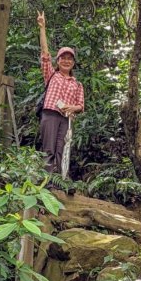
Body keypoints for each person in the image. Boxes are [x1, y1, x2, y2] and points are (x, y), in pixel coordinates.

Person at [37, 11, 84, 178]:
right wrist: (42, 27)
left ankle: (60, 181)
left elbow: (80, 105)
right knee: (48, 149)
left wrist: (72, 108)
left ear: (73, 63)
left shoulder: (77, 84)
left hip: (66, 118)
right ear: (58, 61)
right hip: (50, 114)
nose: (66, 61)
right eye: (63, 58)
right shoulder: (51, 75)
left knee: (62, 149)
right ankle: (46, 184)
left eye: (69, 59)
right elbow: (45, 55)